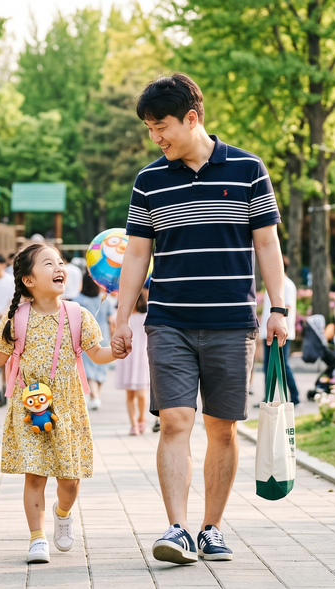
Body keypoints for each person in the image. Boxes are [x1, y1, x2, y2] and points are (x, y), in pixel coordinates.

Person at [109, 73, 289, 565]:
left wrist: (279, 308)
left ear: (193, 118)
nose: (156, 137)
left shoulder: (248, 169)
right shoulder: (149, 180)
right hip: (169, 322)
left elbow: (268, 244)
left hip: (232, 324)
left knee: (222, 429)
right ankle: (177, 528)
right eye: (149, 129)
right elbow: (135, 257)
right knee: (174, 421)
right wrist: (122, 319)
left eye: (161, 126)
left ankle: (211, 527)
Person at [0, 243, 116, 564]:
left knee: (70, 481)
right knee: (34, 475)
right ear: (29, 280)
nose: (58, 267)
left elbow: (98, 354)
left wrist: (118, 349)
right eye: (49, 263)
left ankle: (63, 513)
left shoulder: (78, 315)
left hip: (68, 408)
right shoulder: (16, 318)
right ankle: (37, 538)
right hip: (30, 406)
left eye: (60, 262)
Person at [260, 256, 299, 404]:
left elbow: (286, 307)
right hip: (268, 332)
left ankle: (294, 397)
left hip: (281, 333)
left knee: (283, 367)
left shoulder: (286, 285)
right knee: (268, 367)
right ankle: (267, 398)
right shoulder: (273, 285)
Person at [73, 271, 114, 411]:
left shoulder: (78, 300)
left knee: (88, 368)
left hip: (83, 338)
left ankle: (94, 396)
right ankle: (95, 396)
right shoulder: (105, 300)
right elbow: (111, 321)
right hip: (104, 336)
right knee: (101, 369)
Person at [115, 290, 151, 435]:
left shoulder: (145, 318)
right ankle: (134, 424)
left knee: (142, 393)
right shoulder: (123, 320)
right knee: (130, 394)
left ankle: (142, 419)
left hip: (141, 358)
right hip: (128, 359)